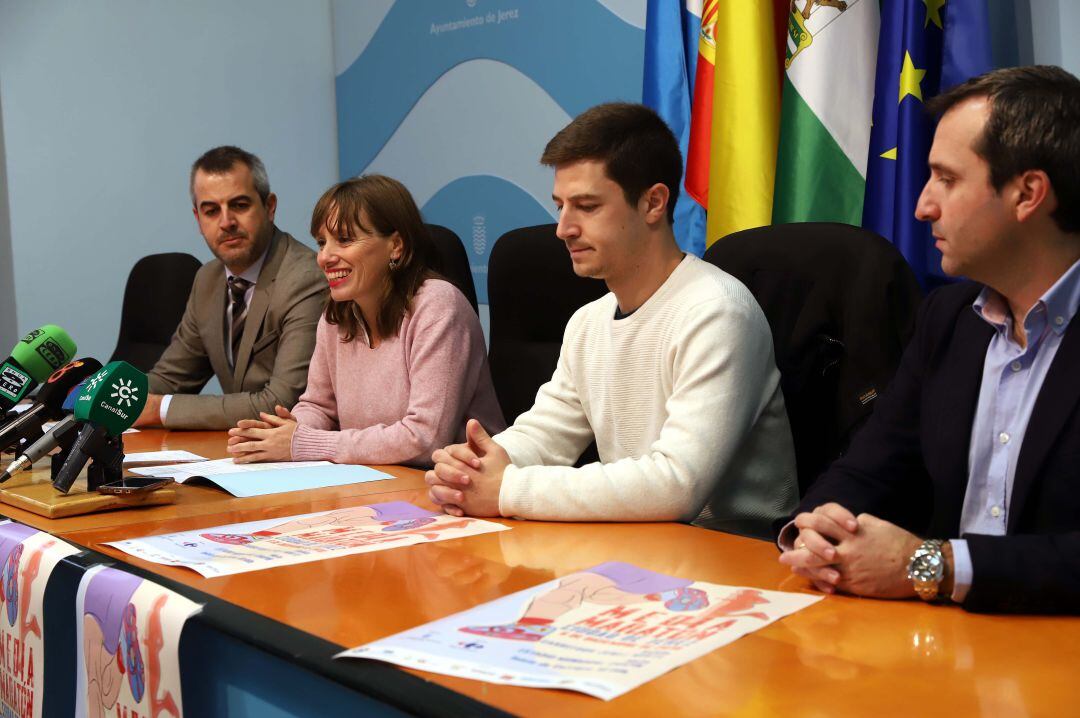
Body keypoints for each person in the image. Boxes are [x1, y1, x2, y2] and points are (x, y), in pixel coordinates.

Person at [778, 66, 1080, 614]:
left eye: (947, 178)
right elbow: (871, 463)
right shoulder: (949, 317)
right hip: (939, 647)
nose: (922, 206)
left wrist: (934, 566)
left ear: (1027, 193)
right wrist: (821, 528)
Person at [426, 102, 798, 530]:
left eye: (586, 206)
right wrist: (478, 465)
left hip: (737, 561)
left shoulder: (716, 311)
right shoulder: (588, 321)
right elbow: (547, 434)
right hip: (644, 550)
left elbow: (677, 484)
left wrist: (508, 489)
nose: (563, 228)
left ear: (653, 203)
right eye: (560, 206)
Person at [225, 175, 504, 467]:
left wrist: (303, 442)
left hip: (455, 485)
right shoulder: (336, 314)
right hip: (376, 480)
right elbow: (319, 406)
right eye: (322, 242)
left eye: (344, 240)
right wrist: (284, 433)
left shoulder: (438, 306)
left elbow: (425, 439)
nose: (324, 257)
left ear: (396, 246)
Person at [137, 146, 326, 430]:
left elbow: (283, 403)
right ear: (198, 219)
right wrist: (113, 395)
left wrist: (160, 409)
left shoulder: (305, 278)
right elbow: (171, 380)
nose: (226, 223)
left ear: (269, 207)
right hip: (242, 453)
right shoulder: (208, 280)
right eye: (211, 211)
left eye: (239, 205)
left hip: (302, 456)